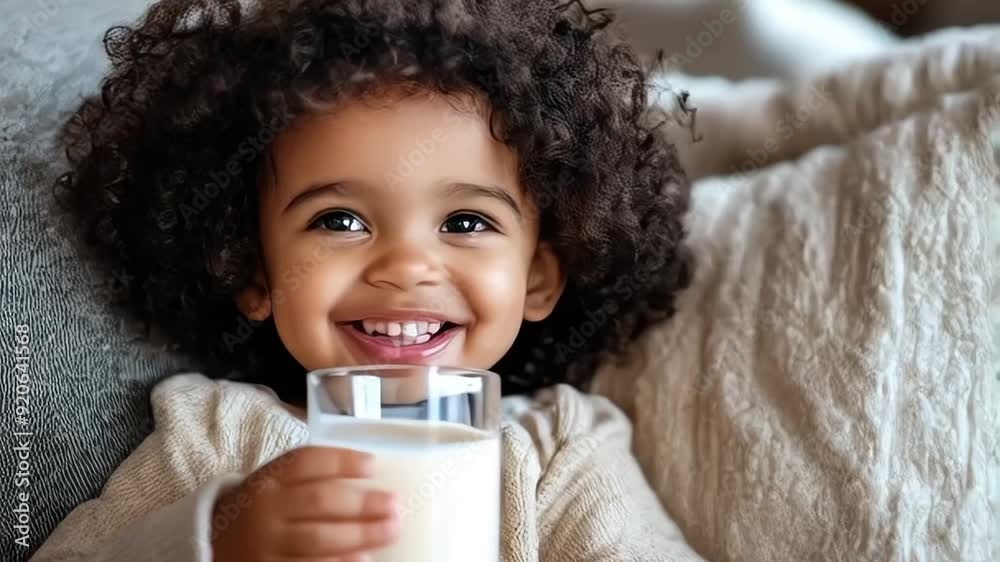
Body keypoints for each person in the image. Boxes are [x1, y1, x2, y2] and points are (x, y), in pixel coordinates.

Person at [34, 0, 700, 560]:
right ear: (252, 271)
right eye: (341, 220)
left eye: (466, 223)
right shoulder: (214, 434)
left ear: (538, 277)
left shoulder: (558, 449)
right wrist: (215, 535)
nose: (406, 267)